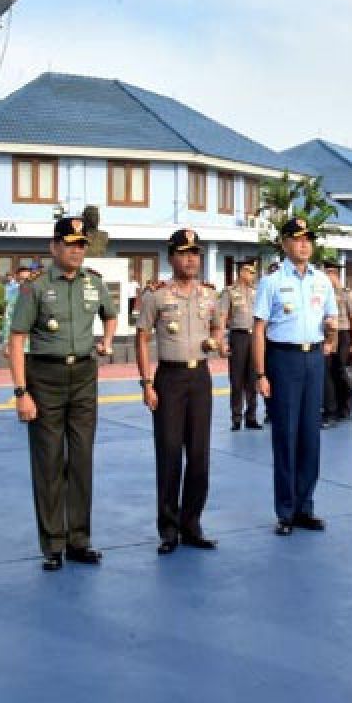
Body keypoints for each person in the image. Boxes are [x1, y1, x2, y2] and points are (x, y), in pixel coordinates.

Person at [7, 217, 117, 571]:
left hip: (85, 374)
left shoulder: (93, 283)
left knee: (82, 458)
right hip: (45, 376)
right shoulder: (35, 287)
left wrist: (107, 340)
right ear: (54, 247)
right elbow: (17, 339)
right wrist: (21, 392)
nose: (76, 250)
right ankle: (53, 543)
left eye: (81, 244)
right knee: (50, 461)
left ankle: (79, 540)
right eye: (69, 243)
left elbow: (110, 315)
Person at [135, 229, 223, 555]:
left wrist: (215, 339)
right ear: (171, 257)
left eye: (195, 253)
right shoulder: (156, 296)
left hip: (200, 377)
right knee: (170, 453)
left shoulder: (210, 295)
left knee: (199, 455)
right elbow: (141, 337)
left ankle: (192, 525)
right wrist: (146, 383)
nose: (191, 259)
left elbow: (217, 324)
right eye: (184, 253)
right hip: (168, 379)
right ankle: (169, 529)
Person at [252, 218, 337, 536]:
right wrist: (260, 373)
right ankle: (285, 511)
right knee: (286, 436)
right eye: (298, 239)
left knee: (310, 437)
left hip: (313, 358)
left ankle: (305, 506)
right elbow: (258, 330)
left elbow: (332, 322)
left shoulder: (322, 281)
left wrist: (331, 337)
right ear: (285, 244)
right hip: (283, 359)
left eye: (308, 239)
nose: (304, 244)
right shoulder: (271, 282)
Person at [220, 261, 261, 431]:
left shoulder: (256, 292)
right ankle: (236, 417)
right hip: (238, 336)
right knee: (236, 379)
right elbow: (222, 316)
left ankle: (251, 416)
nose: (252, 275)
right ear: (241, 272)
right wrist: (221, 340)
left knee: (253, 379)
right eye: (249, 271)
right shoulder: (229, 291)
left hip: (254, 337)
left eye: (253, 272)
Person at [321, 260, 352, 427]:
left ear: (334, 274)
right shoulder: (322, 294)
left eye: (328, 273)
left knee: (343, 372)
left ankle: (345, 408)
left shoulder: (346, 293)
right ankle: (331, 408)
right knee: (328, 372)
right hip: (329, 335)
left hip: (344, 335)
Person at [1, 264, 32, 359]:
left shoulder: (38, 294)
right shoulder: (12, 295)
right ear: (17, 279)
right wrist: (6, 343)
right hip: (19, 342)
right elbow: (7, 320)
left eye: (28, 278)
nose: (25, 281)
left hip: (37, 343)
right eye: (22, 278)